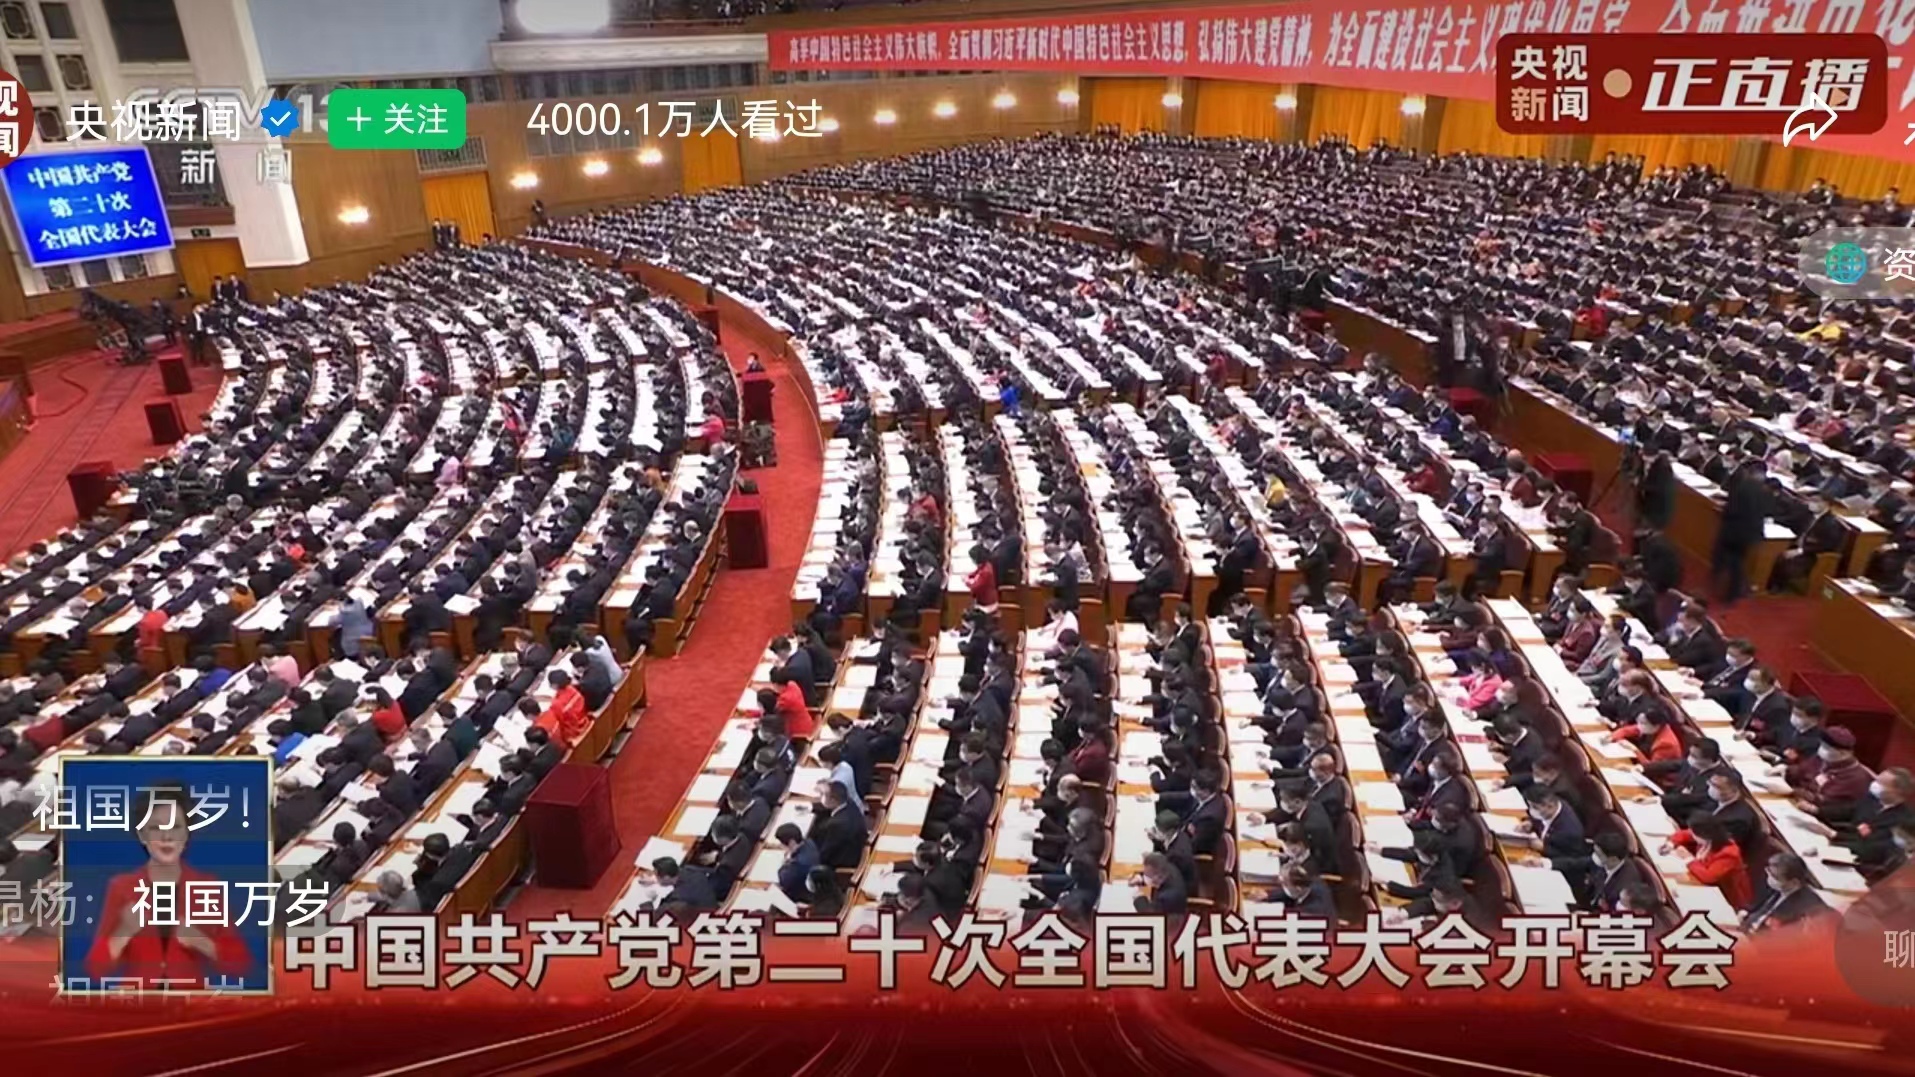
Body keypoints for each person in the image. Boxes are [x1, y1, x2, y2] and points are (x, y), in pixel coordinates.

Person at [86, 783, 252, 982]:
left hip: (190, 999)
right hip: (139, 998)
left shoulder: (207, 887)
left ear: (187, 833)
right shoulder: (122, 887)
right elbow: (95, 968)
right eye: (156, 828)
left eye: (176, 827)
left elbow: (241, 965)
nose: (167, 837)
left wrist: (201, 942)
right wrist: (124, 932)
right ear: (142, 835)